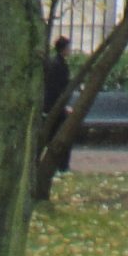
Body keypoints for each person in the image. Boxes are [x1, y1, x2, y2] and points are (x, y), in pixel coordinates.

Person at [40, 34, 74, 174]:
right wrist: (63, 107)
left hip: (53, 107)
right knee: (62, 138)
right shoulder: (59, 66)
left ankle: (58, 167)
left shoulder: (56, 64)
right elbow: (58, 90)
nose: (70, 50)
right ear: (64, 49)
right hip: (56, 109)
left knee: (52, 138)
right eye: (69, 47)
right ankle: (61, 167)